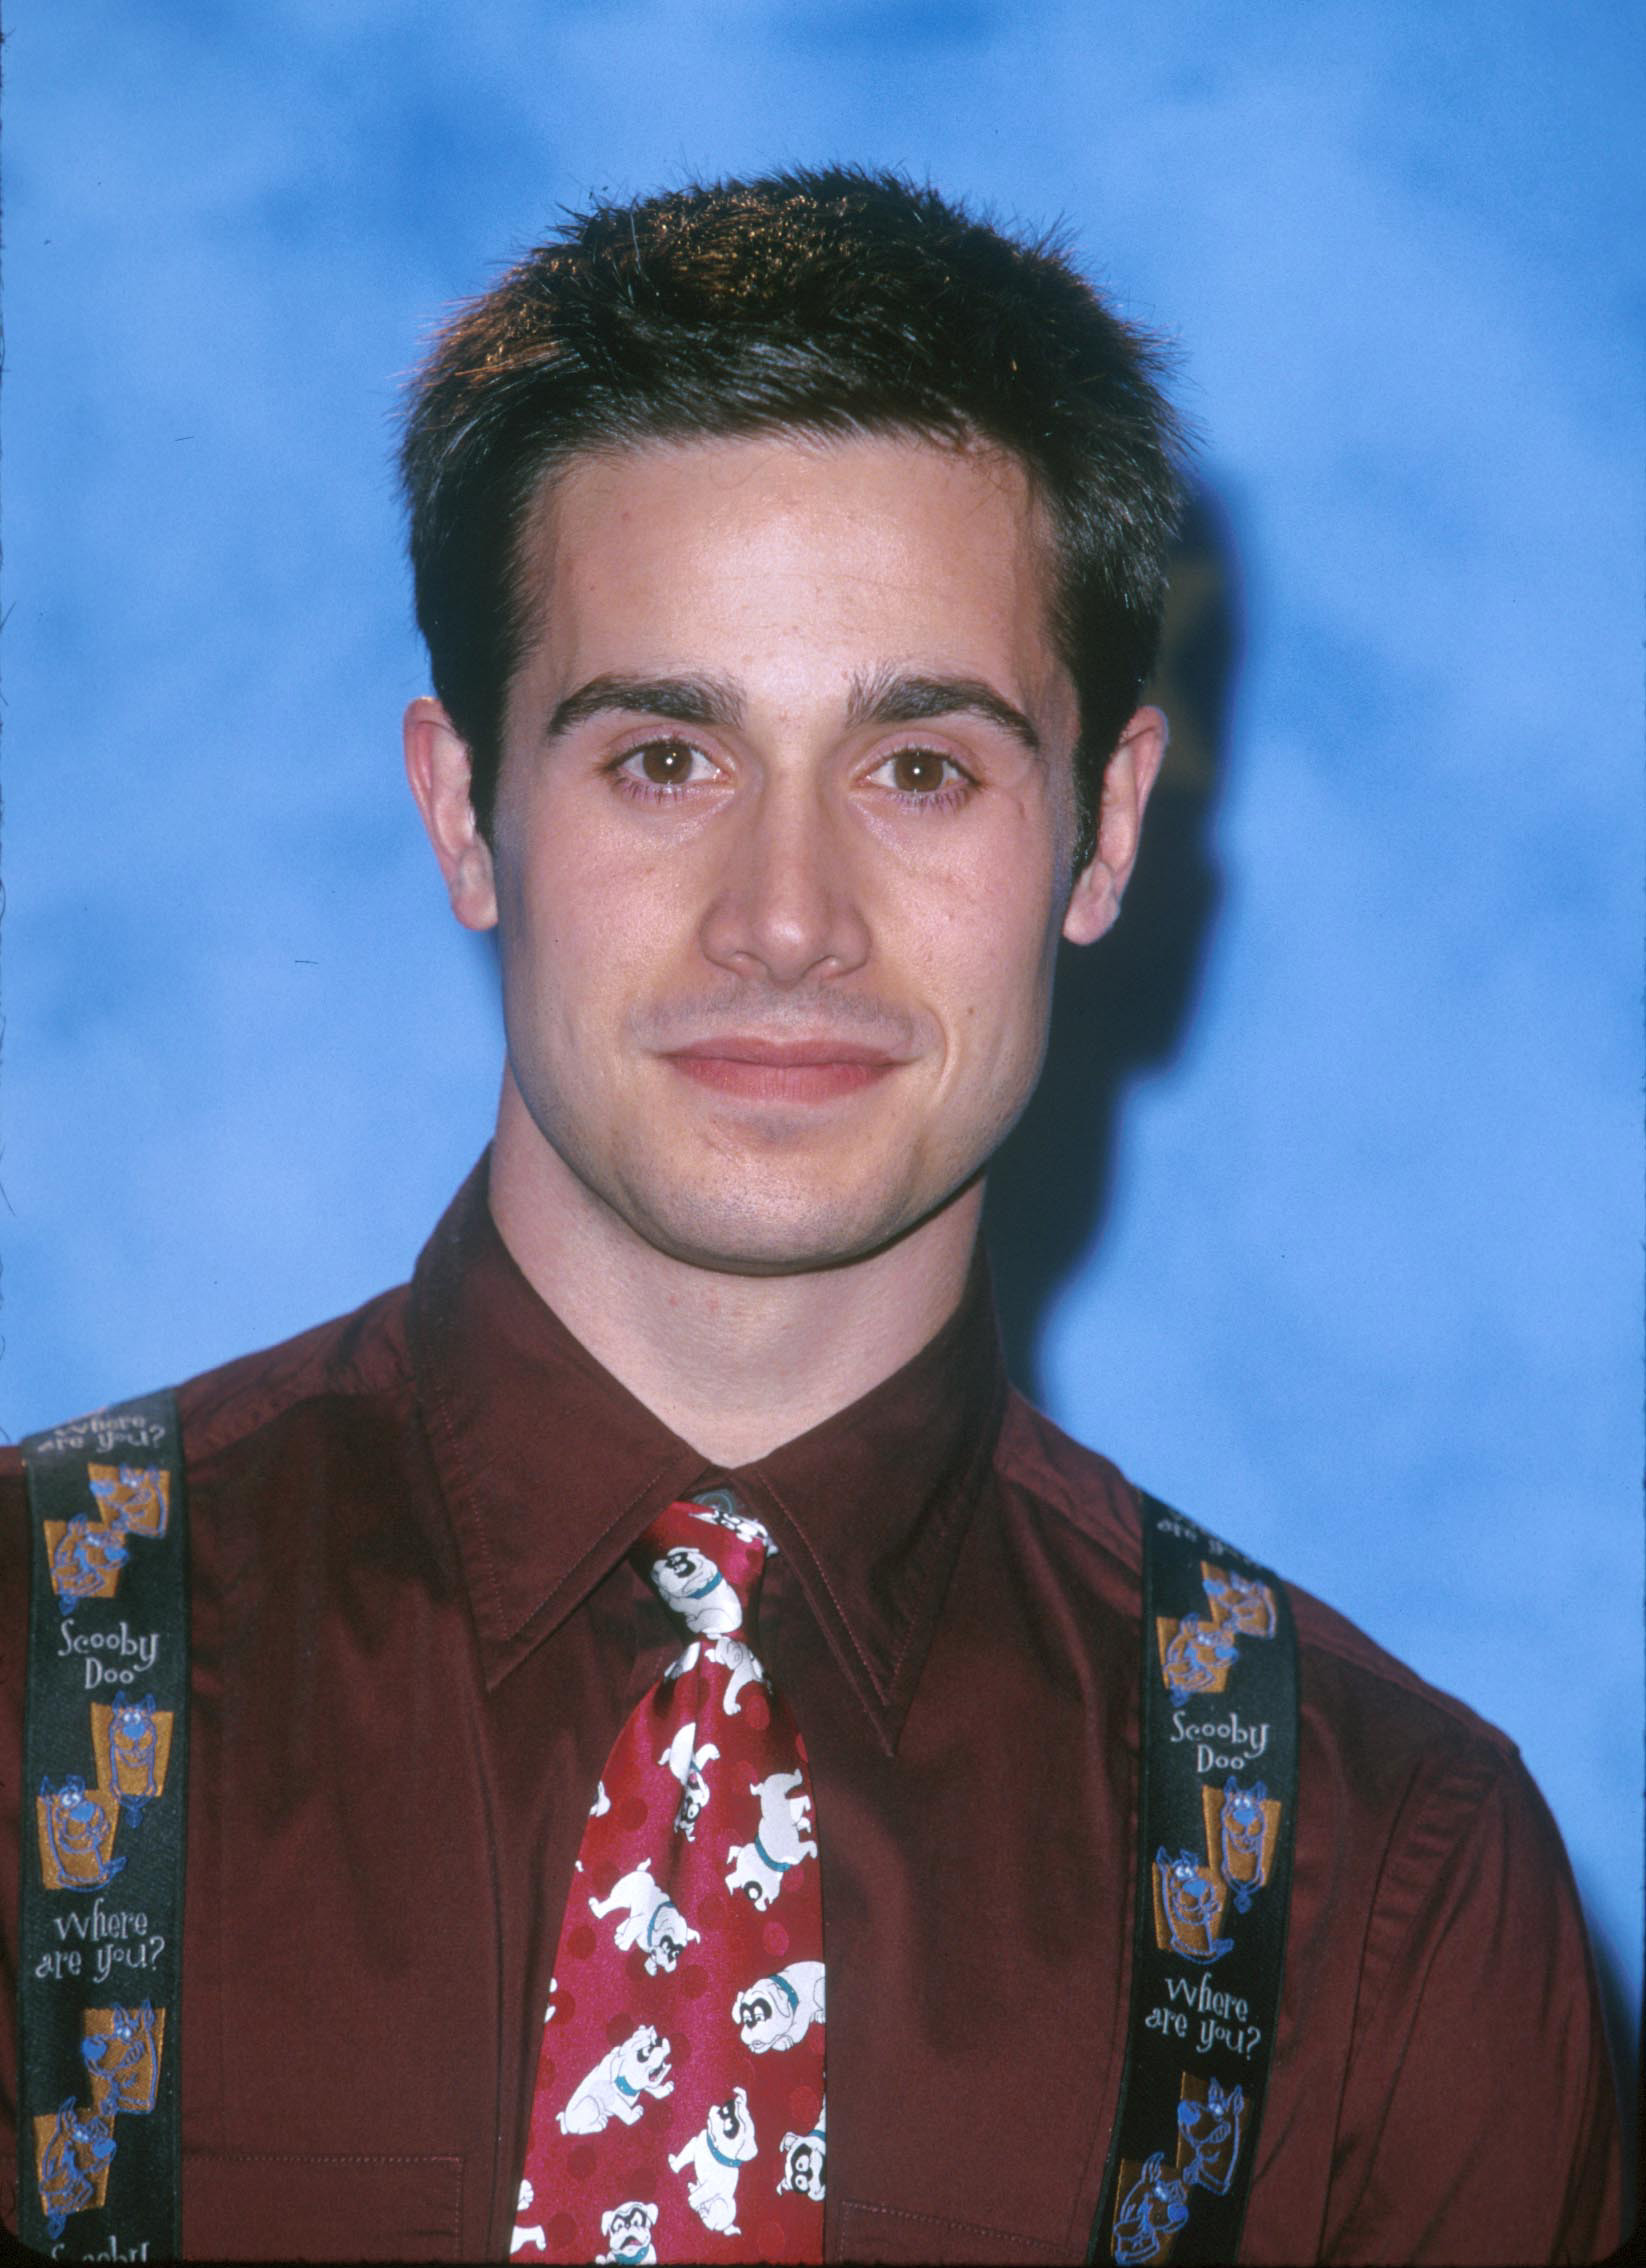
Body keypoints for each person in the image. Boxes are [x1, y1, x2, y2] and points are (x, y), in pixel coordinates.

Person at [0, 168, 1621, 2264]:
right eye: (663, 756)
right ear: (461, 810)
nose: (785, 920)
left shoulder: (1392, 1879)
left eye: (920, 767)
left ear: (1103, 829)